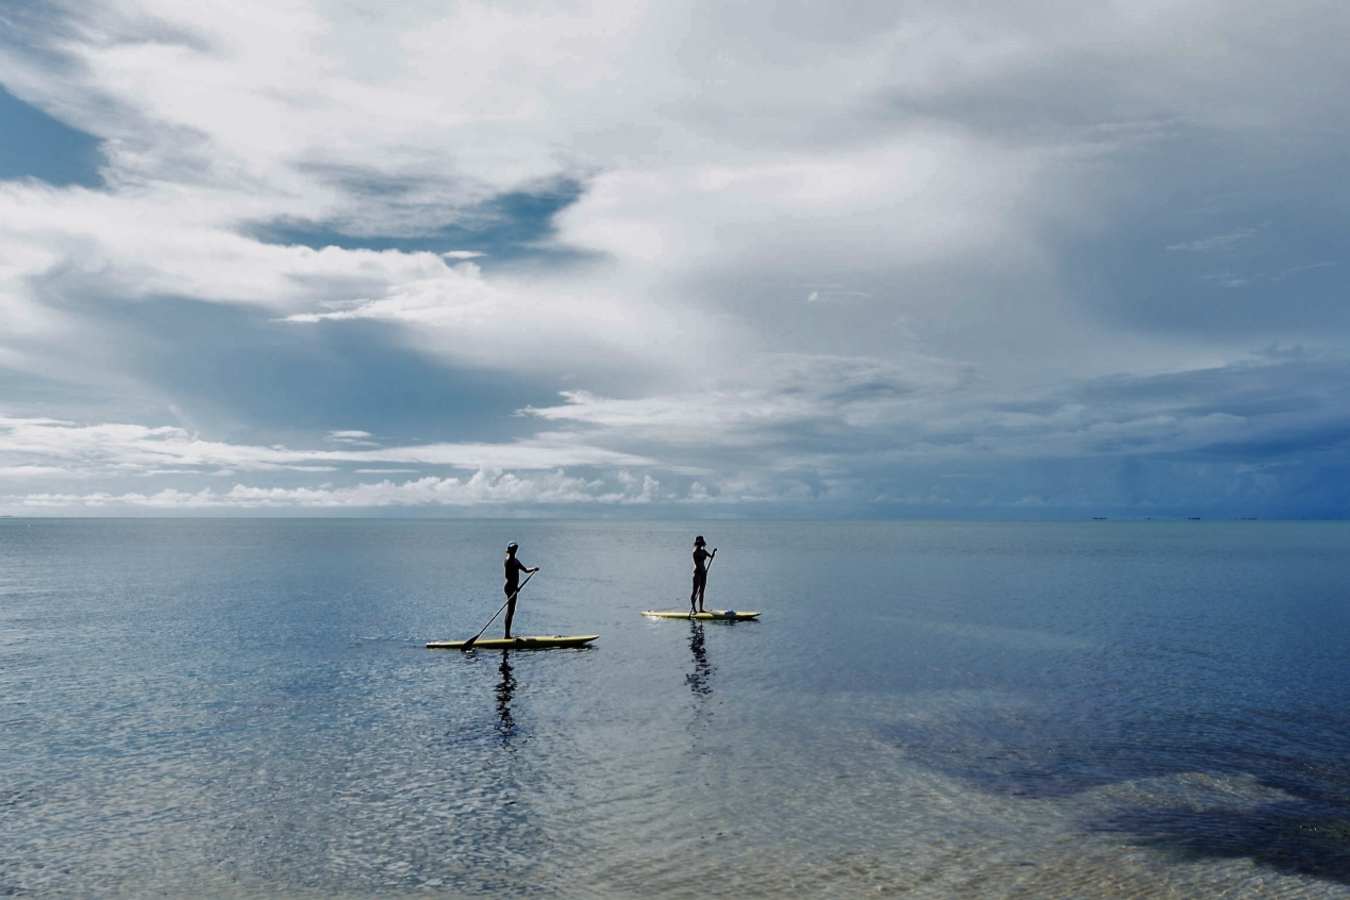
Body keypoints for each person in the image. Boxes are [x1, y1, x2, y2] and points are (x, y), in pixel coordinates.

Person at [502, 542, 539, 639]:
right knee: (510, 611)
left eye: (515, 549)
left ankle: (507, 634)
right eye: (513, 550)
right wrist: (515, 587)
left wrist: (533, 569)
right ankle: (507, 635)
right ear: (510, 551)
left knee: (512, 611)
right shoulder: (509, 561)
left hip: (513, 587)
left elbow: (525, 570)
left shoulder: (516, 561)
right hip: (510, 588)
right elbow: (507, 576)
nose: (515, 551)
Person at [690, 535, 717, 614]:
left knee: (702, 591)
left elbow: (711, 557)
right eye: (698, 543)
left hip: (704, 573)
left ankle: (701, 609)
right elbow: (697, 563)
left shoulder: (704, 551)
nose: (700, 544)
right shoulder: (695, 552)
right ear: (696, 543)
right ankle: (694, 609)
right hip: (697, 573)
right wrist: (701, 571)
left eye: (701, 543)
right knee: (695, 592)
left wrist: (714, 552)